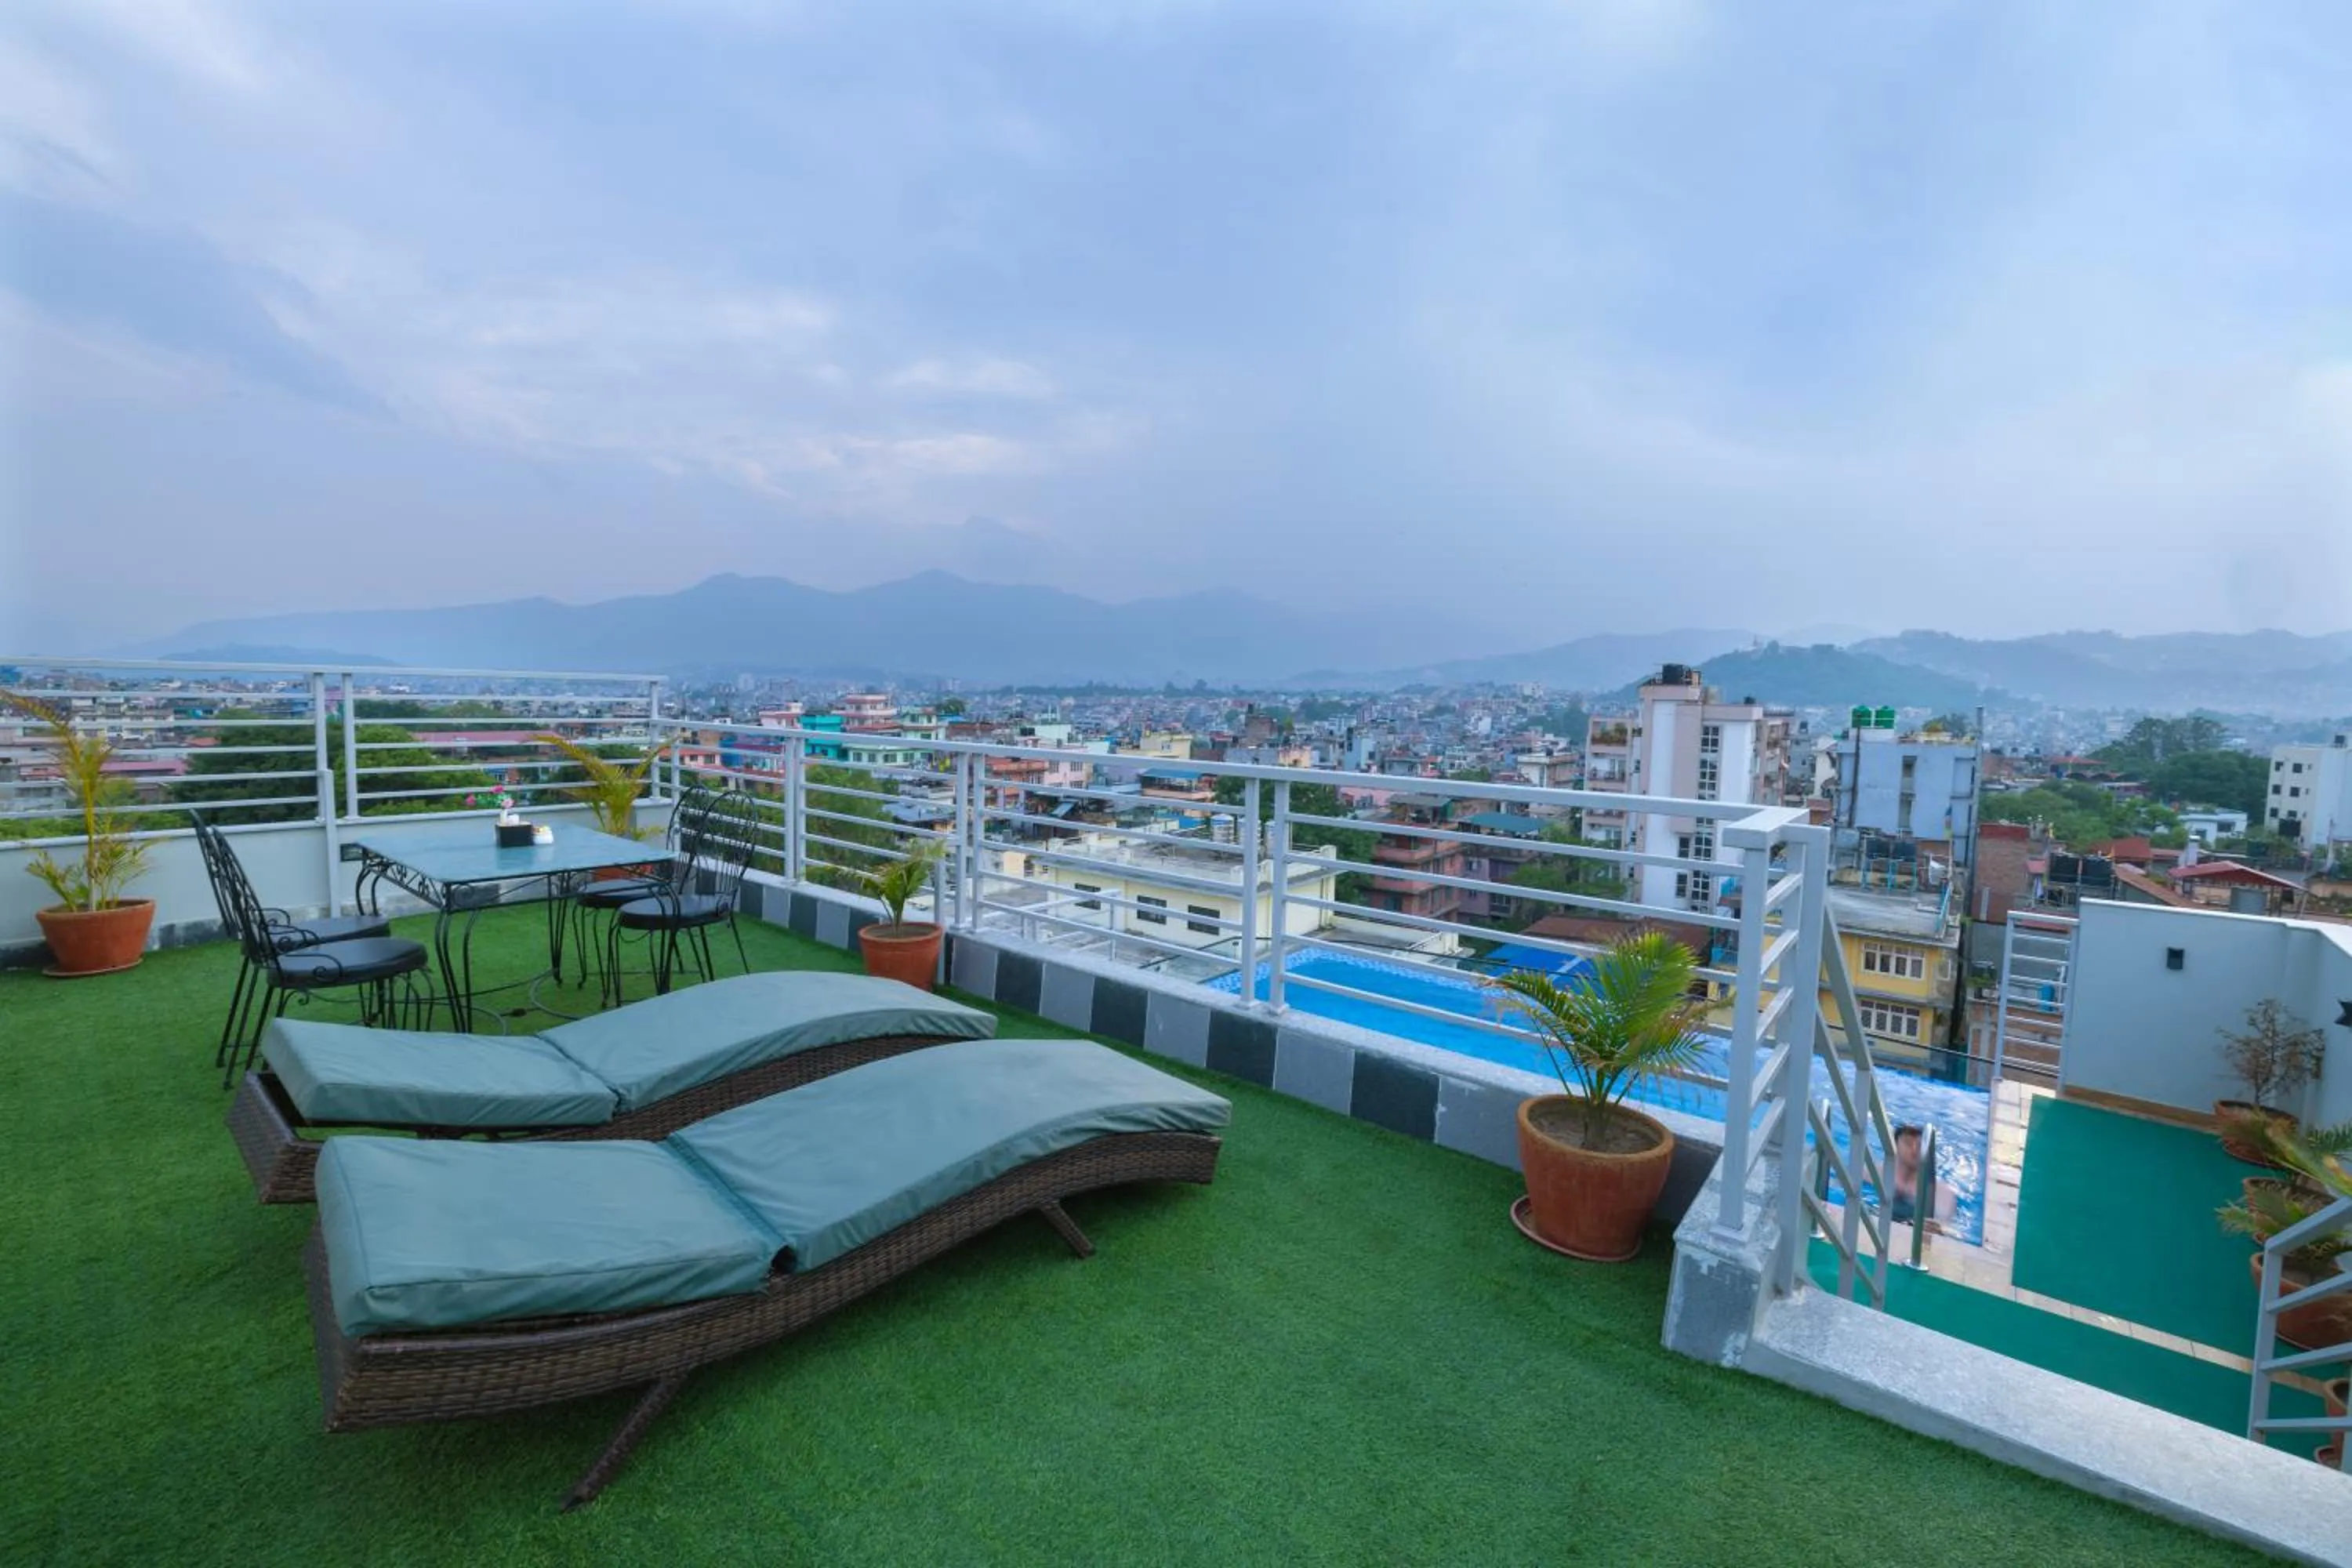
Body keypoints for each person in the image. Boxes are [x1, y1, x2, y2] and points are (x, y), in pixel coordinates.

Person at [1888, 1123, 1956, 1229]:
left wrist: (1939, 1227)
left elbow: (1948, 1229)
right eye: (1909, 1143)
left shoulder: (1942, 1193)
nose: (1914, 1149)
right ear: (1895, 1145)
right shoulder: (1873, 1173)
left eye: (1920, 1145)